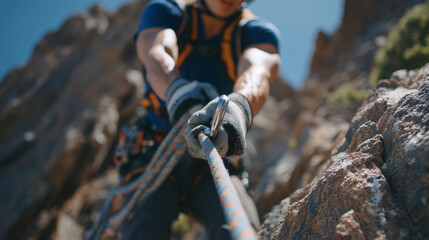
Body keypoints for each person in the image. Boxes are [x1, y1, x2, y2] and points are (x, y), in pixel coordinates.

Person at [116, 0, 280, 238]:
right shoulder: (169, 10)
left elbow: (258, 72)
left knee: (239, 226)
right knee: (145, 227)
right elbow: (156, 51)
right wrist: (176, 90)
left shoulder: (255, 31)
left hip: (214, 149)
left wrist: (239, 106)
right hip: (156, 147)